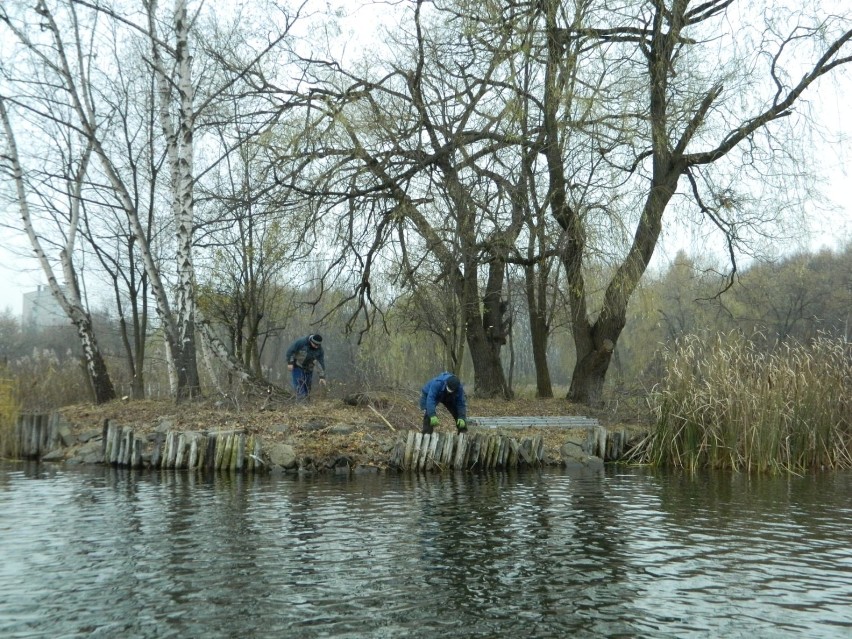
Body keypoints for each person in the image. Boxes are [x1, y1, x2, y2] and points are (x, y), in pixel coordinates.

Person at [285, 334, 327, 399]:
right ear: (311, 341)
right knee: (300, 387)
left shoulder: (320, 350)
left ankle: (307, 405)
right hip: (297, 366)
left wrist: (322, 376)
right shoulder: (301, 342)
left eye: (318, 345)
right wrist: (290, 362)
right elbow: (290, 351)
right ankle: (301, 405)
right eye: (315, 345)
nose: (316, 347)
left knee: (307, 389)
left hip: (309, 369)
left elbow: (320, 363)